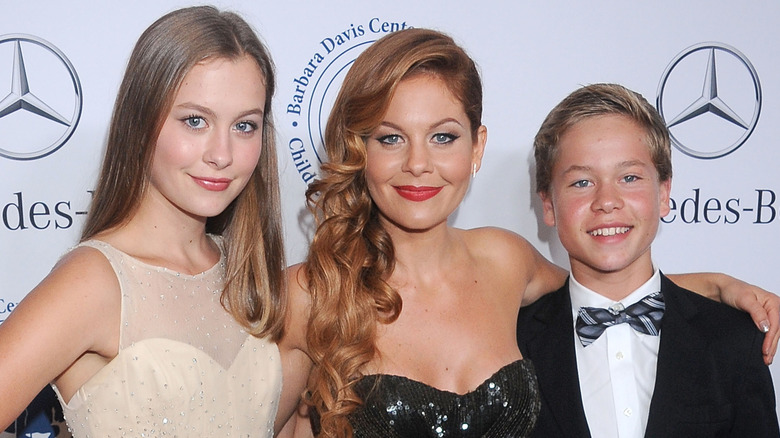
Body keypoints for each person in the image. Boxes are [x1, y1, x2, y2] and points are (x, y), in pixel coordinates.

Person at [285, 29, 780, 438]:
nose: (418, 163)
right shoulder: (309, 294)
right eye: (391, 138)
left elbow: (603, 292)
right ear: (359, 148)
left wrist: (718, 286)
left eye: (443, 137)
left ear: (476, 148)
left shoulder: (504, 260)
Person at [0, 6, 307, 436]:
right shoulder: (94, 282)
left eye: (244, 126)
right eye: (195, 121)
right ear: (140, 123)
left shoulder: (251, 277)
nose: (222, 154)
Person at [516, 83, 780, 437]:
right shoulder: (510, 342)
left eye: (629, 178)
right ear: (548, 205)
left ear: (664, 193)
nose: (607, 201)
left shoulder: (733, 340)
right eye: (581, 182)